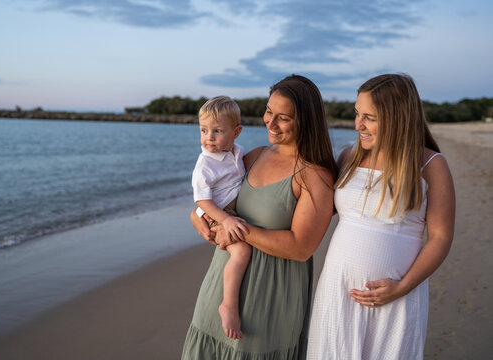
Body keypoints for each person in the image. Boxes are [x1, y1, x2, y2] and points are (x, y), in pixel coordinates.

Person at [182, 74, 338, 359]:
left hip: (270, 298)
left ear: (305, 121)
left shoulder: (315, 176)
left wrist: (239, 230)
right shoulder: (253, 157)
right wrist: (197, 216)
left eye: (283, 118)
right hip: (221, 286)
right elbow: (217, 197)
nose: (270, 122)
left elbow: (301, 247)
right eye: (268, 111)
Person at [306, 73, 455, 359]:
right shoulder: (348, 157)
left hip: (395, 298)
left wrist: (402, 287)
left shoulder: (430, 165)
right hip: (338, 292)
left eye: (369, 117)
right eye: (357, 114)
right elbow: (307, 204)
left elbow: (440, 237)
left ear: (397, 117)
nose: (358, 125)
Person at [191, 95, 251, 340]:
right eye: (204, 130)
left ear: (236, 132)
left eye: (217, 131)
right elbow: (202, 200)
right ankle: (228, 304)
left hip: (229, 213)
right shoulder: (205, 163)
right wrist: (225, 220)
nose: (209, 137)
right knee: (242, 251)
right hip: (217, 214)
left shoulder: (238, 153)